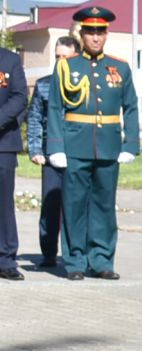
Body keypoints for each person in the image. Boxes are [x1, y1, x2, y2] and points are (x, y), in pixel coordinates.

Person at [45, 7, 139, 280]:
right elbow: (54, 107)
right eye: (90, 32)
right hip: (75, 146)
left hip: (108, 147)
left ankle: (101, 260)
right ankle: (75, 261)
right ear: (81, 34)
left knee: (104, 206)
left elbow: (130, 107)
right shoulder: (66, 66)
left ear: (106, 34)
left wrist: (130, 144)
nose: (96, 38)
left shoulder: (120, 67)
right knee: (74, 205)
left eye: (101, 32)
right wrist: (56, 146)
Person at [25, 35, 80, 272]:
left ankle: (77, 254)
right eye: (57, 56)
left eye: (65, 57)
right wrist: (35, 150)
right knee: (50, 206)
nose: (60, 61)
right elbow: (35, 118)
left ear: (76, 57)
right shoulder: (44, 84)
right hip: (50, 153)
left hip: (78, 153)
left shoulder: (83, 85)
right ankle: (48, 253)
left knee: (77, 206)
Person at [0, 41, 26, 280]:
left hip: (2, 143)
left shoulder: (10, 60)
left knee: (3, 204)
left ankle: (6, 259)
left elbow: (19, 97)